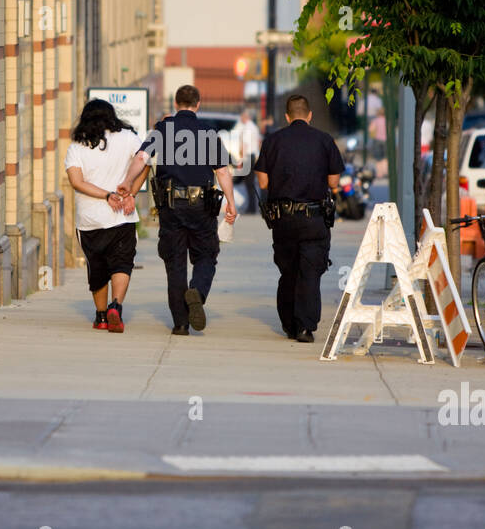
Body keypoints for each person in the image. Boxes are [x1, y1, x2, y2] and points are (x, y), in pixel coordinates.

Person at [119, 84, 237, 335]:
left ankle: (181, 323)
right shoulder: (208, 132)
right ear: (198, 104)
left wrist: (128, 183)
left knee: (175, 262)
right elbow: (223, 171)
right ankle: (198, 291)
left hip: (171, 206)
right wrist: (231, 203)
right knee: (206, 255)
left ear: (175, 104)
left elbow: (141, 158)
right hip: (202, 206)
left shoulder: (163, 129)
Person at [255, 93, 343, 343]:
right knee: (310, 272)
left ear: (287, 116)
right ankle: (305, 326)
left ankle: (289, 324)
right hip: (314, 218)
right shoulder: (324, 140)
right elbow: (333, 181)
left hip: (283, 219)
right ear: (310, 115)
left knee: (288, 271)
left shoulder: (273, 140)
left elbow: (263, 181)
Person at [64, 99, 140, 332]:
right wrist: (131, 194)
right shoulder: (128, 137)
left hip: (90, 221)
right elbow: (145, 161)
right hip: (123, 218)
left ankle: (101, 317)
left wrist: (106, 195)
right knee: (122, 264)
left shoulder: (77, 146)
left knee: (97, 268)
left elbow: (76, 182)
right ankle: (115, 305)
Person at [230, 108, 263, 213]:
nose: (241, 118)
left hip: (247, 158)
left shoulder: (247, 128)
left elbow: (245, 145)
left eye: (242, 116)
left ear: (246, 116)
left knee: (249, 183)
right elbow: (258, 142)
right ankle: (252, 206)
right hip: (252, 156)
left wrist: (241, 161)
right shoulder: (254, 127)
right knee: (250, 183)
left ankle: (251, 207)